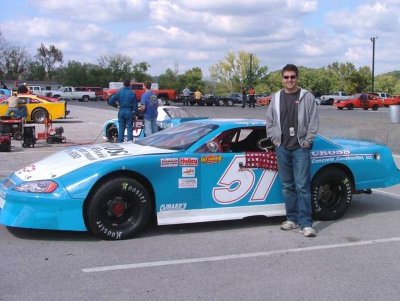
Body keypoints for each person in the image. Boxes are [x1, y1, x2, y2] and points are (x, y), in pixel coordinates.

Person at [266, 64, 319, 237]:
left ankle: (306, 223)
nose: (289, 80)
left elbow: (313, 121)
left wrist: (307, 141)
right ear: (282, 78)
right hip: (282, 147)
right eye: (286, 77)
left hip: (300, 148)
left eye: (292, 77)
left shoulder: (307, 96)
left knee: (302, 186)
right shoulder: (276, 97)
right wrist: (275, 140)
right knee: (288, 186)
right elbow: (270, 121)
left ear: (297, 78)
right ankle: (292, 219)